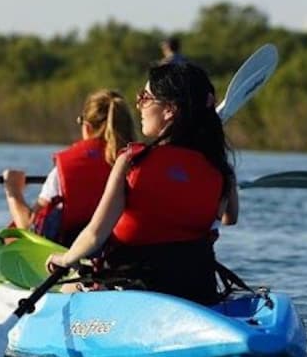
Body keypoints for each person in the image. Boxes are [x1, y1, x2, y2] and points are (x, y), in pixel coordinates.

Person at [46, 62, 239, 305]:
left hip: (135, 289)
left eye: (145, 97)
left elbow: (96, 234)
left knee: (69, 289)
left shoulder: (132, 161)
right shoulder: (220, 169)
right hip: (197, 290)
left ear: (169, 109)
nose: (139, 105)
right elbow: (229, 218)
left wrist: (66, 258)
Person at [0, 89, 136, 247]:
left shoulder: (63, 170)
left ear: (87, 127)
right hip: (123, 251)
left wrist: (13, 191)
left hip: (69, 252)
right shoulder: (139, 162)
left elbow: (30, 228)